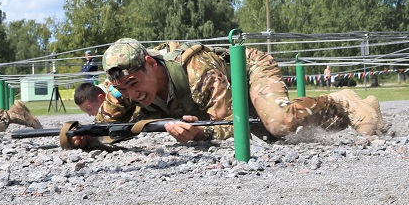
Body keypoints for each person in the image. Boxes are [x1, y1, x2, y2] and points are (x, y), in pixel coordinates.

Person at [74, 38, 383, 148]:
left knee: (278, 123)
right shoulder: (122, 88)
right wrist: (86, 137)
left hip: (247, 71)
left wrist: (198, 135)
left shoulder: (195, 69)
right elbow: (106, 126)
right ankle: (342, 116)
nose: (132, 94)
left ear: (151, 64)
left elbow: (230, 126)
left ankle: (340, 100)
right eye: (122, 88)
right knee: (272, 136)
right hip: (219, 95)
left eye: (134, 83)